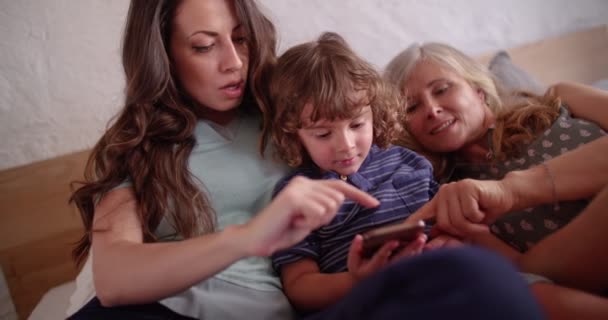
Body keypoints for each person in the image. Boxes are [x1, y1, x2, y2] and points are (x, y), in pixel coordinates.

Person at [65, 1, 546, 319]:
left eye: (241, 38)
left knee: (481, 281)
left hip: (278, 309)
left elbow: (387, 125)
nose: (233, 61)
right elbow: (113, 278)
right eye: (204, 46)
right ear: (164, 55)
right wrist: (249, 237)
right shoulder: (139, 144)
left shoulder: (295, 105)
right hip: (162, 311)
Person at [385, 42, 608, 319]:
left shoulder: (560, 98)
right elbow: (524, 274)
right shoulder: (451, 195)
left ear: (478, 91)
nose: (431, 109)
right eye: (412, 107)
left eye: (442, 89)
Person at [268, 32, 437, 312]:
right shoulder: (297, 195)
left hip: (436, 283)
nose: (346, 146)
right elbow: (299, 287)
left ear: (375, 114)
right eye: (323, 134)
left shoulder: (409, 162)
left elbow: (452, 224)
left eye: (357, 125)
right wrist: (359, 280)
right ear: (294, 136)